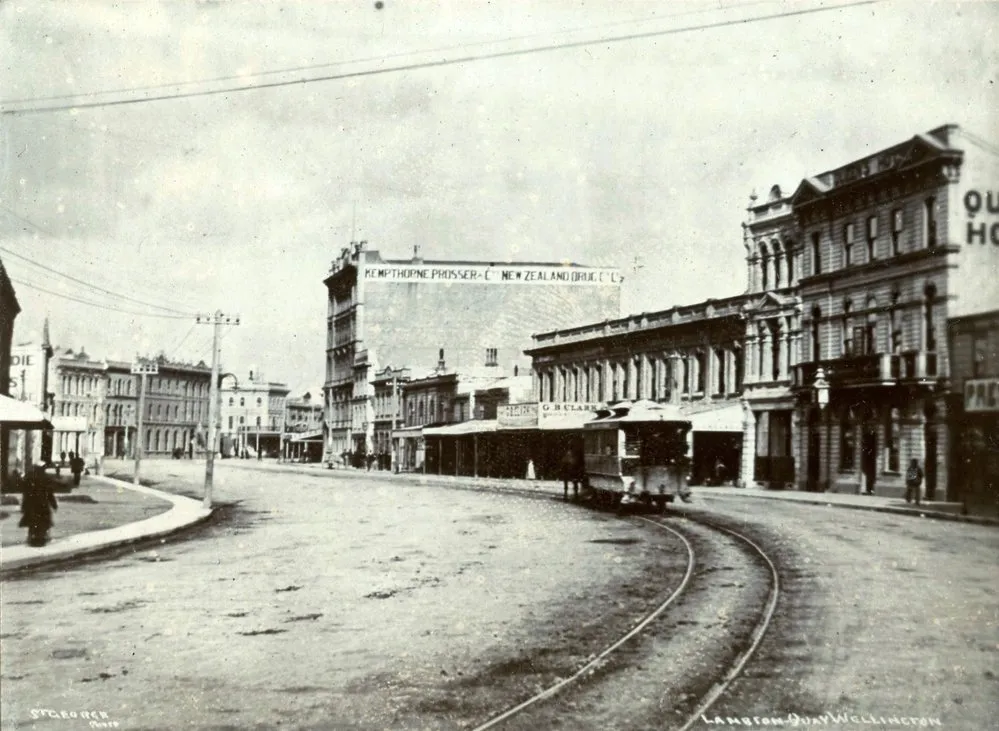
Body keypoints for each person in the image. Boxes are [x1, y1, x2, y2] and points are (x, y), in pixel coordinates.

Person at [19, 466, 58, 546]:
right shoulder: (46, 479)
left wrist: (24, 506)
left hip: (32, 505)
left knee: (33, 522)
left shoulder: (29, 479)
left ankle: (31, 538)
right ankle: (41, 538)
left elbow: (26, 494)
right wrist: (54, 505)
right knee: (43, 522)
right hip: (42, 505)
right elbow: (50, 494)